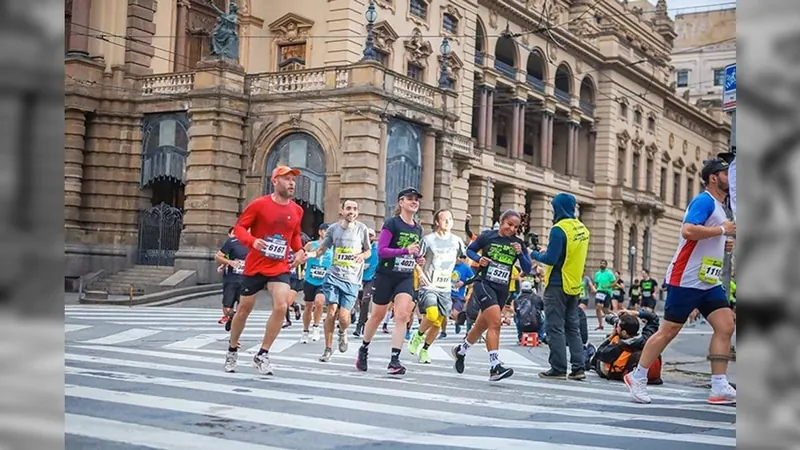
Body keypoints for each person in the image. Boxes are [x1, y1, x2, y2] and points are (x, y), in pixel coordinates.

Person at [625, 158, 737, 405]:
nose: (732, 177)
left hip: (708, 281)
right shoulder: (704, 200)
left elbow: (708, 235)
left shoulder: (720, 206)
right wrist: (721, 231)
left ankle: (719, 386)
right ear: (713, 178)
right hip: (686, 278)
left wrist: (724, 242)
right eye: (726, 173)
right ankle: (638, 376)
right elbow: (688, 231)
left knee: (726, 325)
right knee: (669, 331)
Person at [226, 166, 306, 375]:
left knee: (281, 305)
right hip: (256, 265)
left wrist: (299, 251)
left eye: (293, 180)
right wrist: (253, 241)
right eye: (287, 179)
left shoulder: (297, 210)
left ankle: (263, 353)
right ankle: (233, 348)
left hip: (279, 266)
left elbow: (295, 235)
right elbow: (239, 228)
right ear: (274, 181)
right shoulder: (259, 205)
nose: (292, 183)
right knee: (244, 309)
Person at [451, 209, 531, 382]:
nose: (512, 229)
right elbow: (470, 250)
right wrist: (479, 259)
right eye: (509, 224)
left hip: (502, 288)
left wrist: (520, 253)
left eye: (516, 227)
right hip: (484, 283)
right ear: (501, 222)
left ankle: (461, 351)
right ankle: (495, 367)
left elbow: (527, 267)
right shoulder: (488, 236)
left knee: (481, 326)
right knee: (495, 322)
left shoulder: (517, 243)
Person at [356, 187, 425, 375]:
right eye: (410, 199)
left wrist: (418, 259)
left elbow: (414, 252)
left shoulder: (418, 228)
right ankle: (364, 348)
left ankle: (394, 360)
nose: (414, 202)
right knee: (377, 315)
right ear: (401, 202)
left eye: (416, 199)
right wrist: (405, 251)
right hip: (386, 275)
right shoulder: (392, 224)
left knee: (403, 315)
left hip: (405, 276)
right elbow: (382, 251)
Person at [530, 193, 590, 380]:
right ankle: (579, 368)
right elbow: (568, 255)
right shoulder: (582, 229)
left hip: (557, 284)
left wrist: (534, 254)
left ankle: (558, 368)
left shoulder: (558, 229)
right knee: (573, 327)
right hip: (574, 285)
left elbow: (551, 259)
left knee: (555, 327)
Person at [308, 200, 372, 362]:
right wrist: (309, 255)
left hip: (352, 280)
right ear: (342, 210)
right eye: (348, 208)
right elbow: (322, 249)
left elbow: (368, 251)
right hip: (334, 277)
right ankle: (327, 349)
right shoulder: (334, 229)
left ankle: (342, 332)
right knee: (331, 311)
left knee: (344, 317)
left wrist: (361, 256)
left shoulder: (362, 229)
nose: (352, 211)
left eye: (355, 209)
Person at [408, 209, 467, 363]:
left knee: (438, 323)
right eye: (444, 219)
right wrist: (420, 274)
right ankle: (417, 336)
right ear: (436, 222)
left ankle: (425, 350)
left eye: (450, 219)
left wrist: (457, 278)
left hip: (445, 287)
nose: (448, 222)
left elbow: (464, 258)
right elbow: (415, 258)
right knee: (432, 315)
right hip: (429, 285)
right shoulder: (428, 240)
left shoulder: (457, 241)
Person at [590, 309, 662, 385]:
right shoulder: (646, 339)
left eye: (617, 326)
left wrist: (611, 337)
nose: (616, 327)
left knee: (594, 359)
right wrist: (635, 313)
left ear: (624, 332)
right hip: (637, 369)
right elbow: (654, 318)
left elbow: (599, 354)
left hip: (614, 371)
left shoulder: (618, 347)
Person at [301, 223, 332, 343]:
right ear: (320, 232)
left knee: (319, 302)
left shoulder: (333, 247)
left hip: (324, 281)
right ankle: (305, 330)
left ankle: (316, 326)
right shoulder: (311, 245)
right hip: (310, 279)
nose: (327, 234)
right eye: (325, 231)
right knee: (308, 306)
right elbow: (301, 255)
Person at [215, 227, 249, 325]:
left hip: (246, 279)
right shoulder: (232, 242)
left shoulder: (254, 244)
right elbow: (218, 257)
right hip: (231, 278)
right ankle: (231, 317)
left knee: (242, 306)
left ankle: (236, 324)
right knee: (227, 308)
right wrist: (229, 262)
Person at [353, 228, 378, 337]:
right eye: (366, 235)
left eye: (371, 235)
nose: (368, 237)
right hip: (357, 278)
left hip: (371, 279)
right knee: (356, 300)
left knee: (365, 301)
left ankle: (360, 325)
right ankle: (356, 316)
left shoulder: (377, 249)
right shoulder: (357, 247)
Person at [450, 253, 473, 335]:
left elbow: (472, 282)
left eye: (462, 257)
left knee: (455, 314)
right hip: (448, 292)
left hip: (459, 294)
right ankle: (443, 331)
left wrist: (464, 285)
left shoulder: (466, 268)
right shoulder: (450, 265)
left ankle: (457, 323)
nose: (460, 259)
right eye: (458, 257)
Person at [593, 260, 616, 330]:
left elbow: (614, 283)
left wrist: (607, 286)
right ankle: (600, 324)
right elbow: (596, 283)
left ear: (606, 265)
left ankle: (615, 316)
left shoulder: (609, 273)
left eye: (604, 264)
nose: (602, 265)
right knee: (598, 307)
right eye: (601, 263)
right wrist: (595, 287)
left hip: (607, 292)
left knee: (606, 310)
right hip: (599, 291)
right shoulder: (597, 274)